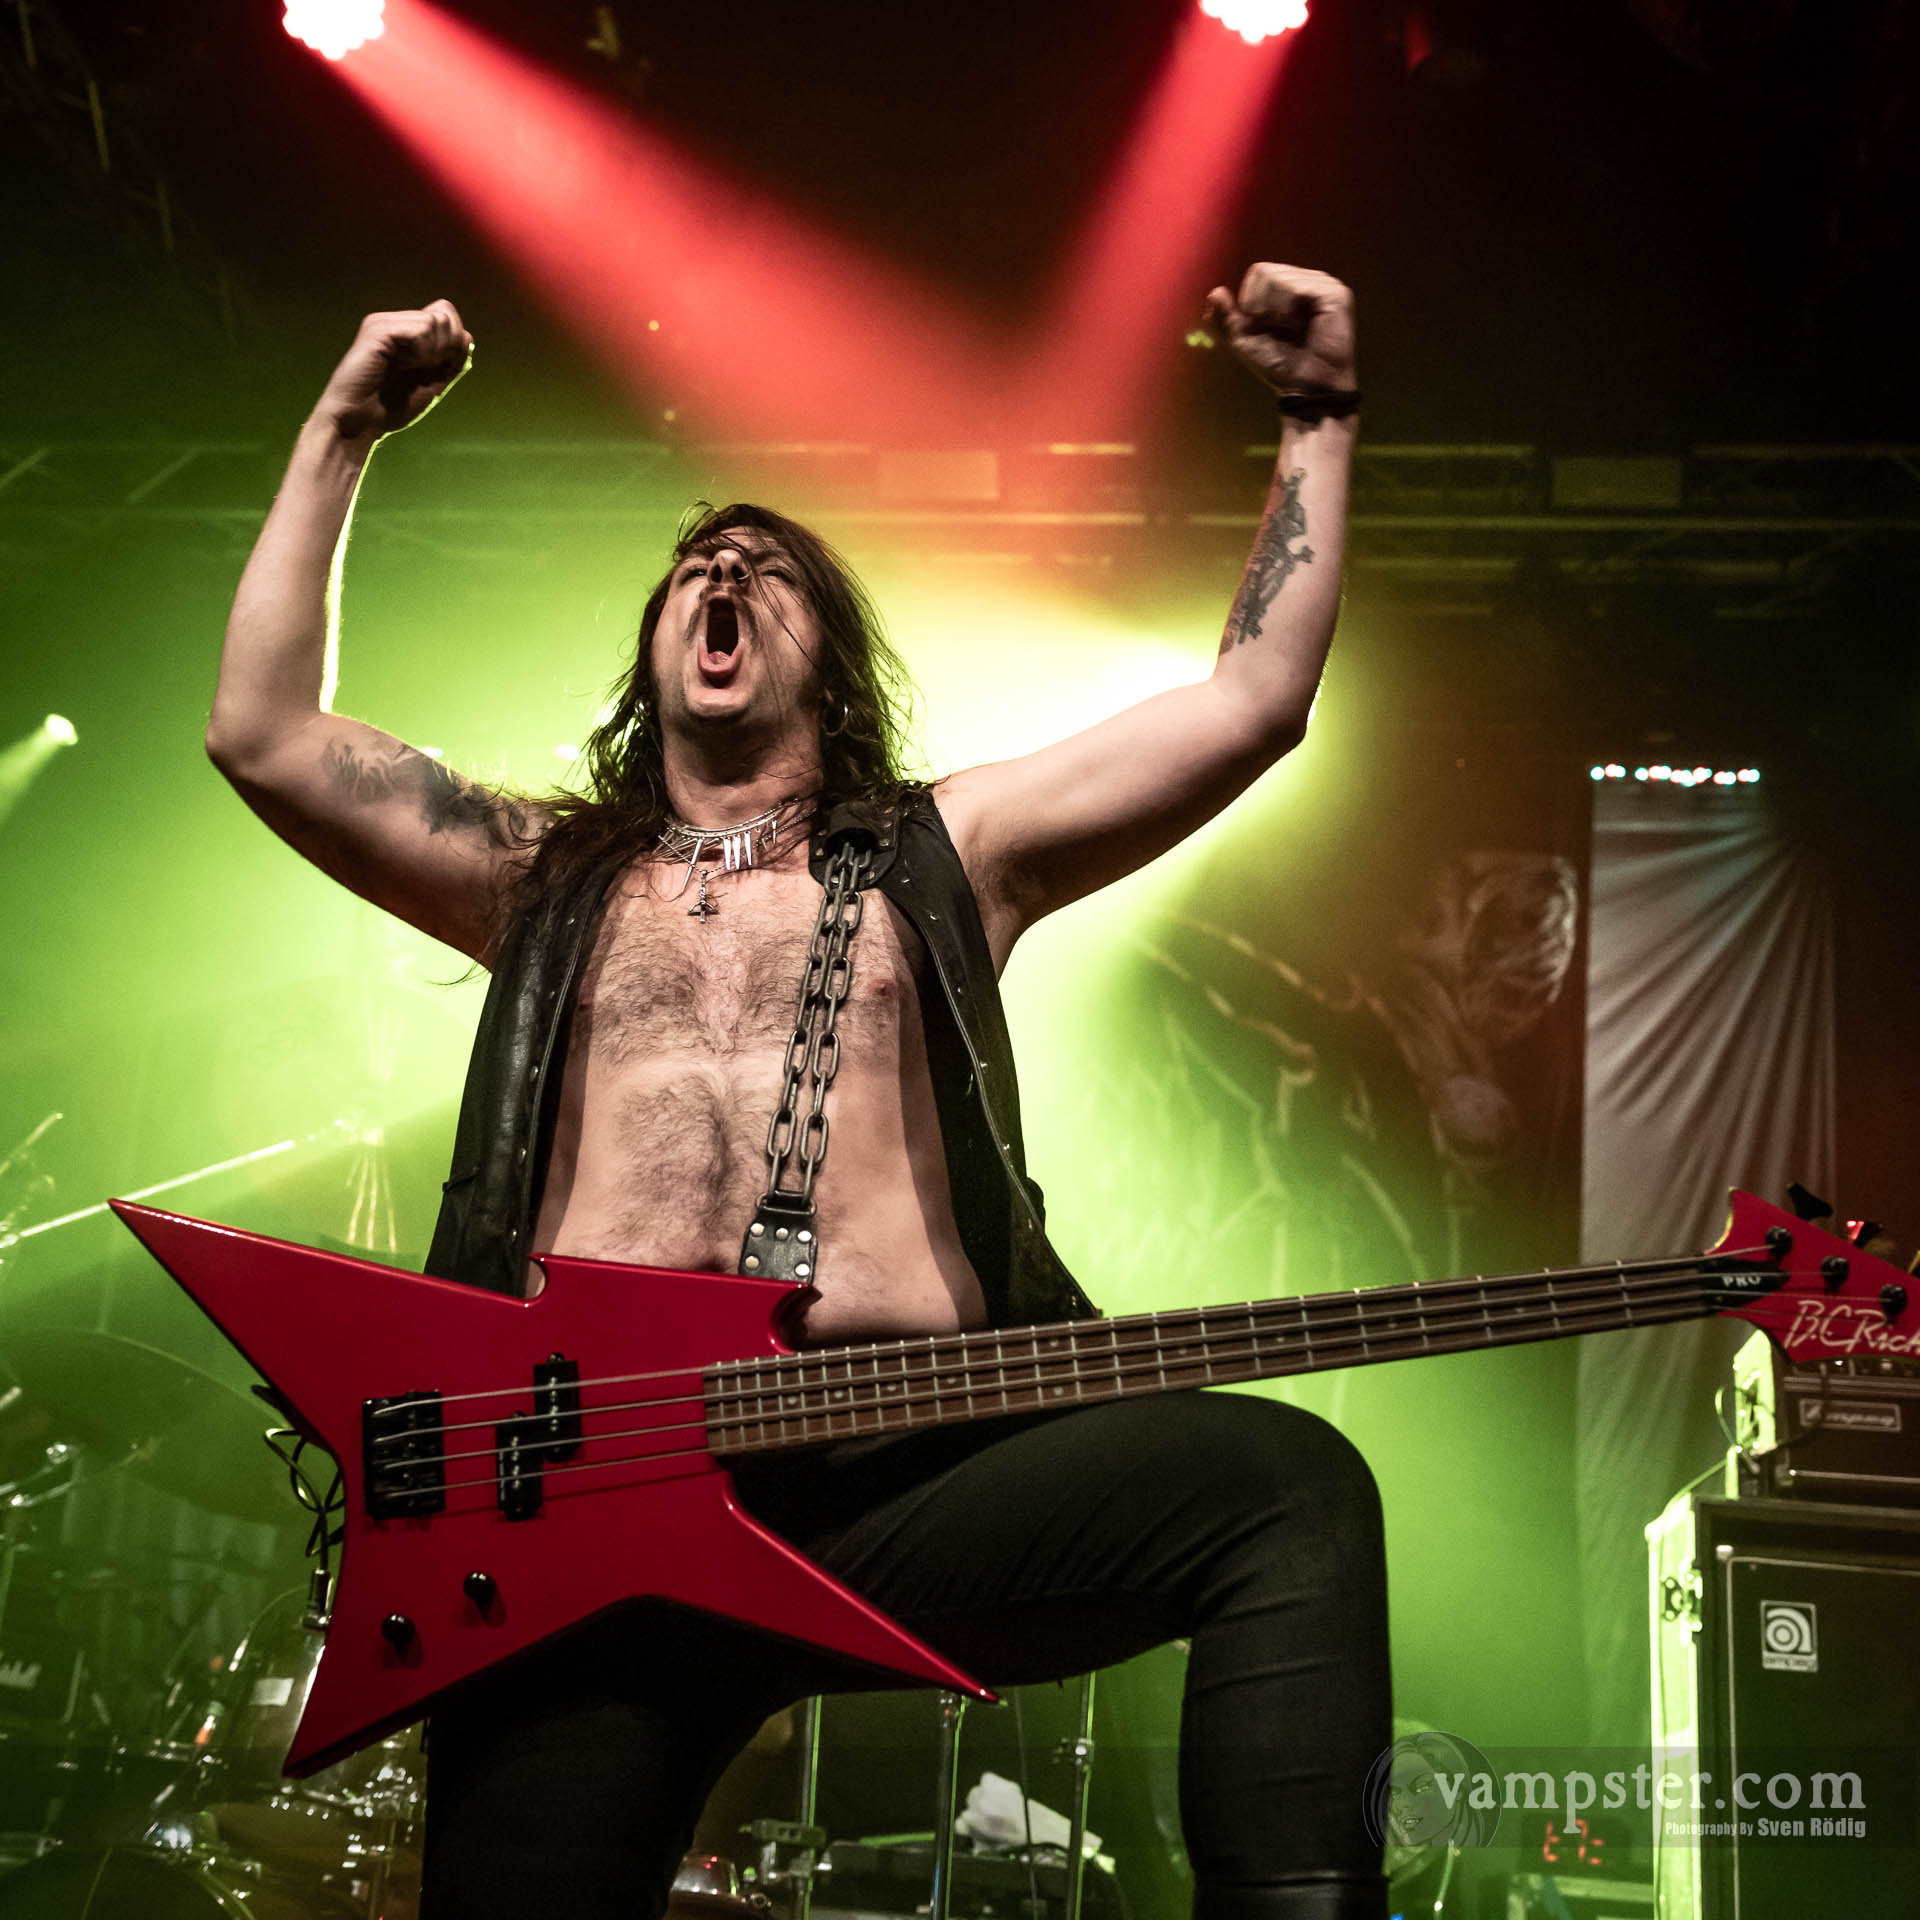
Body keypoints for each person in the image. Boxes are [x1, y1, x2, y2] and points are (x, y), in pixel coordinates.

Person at [205, 263, 1390, 1920]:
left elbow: (1254, 703)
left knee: (1289, 1495)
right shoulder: (545, 872)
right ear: (655, 655)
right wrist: (342, 427)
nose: (723, 571)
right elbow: (262, 732)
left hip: (897, 1478)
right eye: (698, 566)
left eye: (765, 570)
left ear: (826, 664)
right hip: (586, 1515)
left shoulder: (951, 848)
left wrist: (1318, 416)